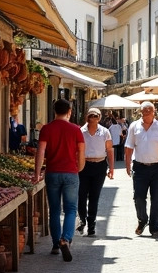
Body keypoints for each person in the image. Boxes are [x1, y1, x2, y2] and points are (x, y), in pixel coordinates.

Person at [33, 98, 85, 262]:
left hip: (52, 173)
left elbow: (40, 152)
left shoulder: (47, 129)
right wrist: (80, 168)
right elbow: (81, 152)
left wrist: (36, 173)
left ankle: (56, 244)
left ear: (54, 111)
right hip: (71, 172)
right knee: (70, 209)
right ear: (69, 111)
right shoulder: (76, 129)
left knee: (54, 210)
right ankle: (66, 239)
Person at [124, 101, 158, 236]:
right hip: (140, 167)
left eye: (148, 111)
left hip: (157, 167)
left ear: (154, 112)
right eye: (143, 111)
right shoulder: (134, 126)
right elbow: (129, 146)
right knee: (138, 197)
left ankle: (154, 227)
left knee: (156, 198)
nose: (145, 114)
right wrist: (127, 163)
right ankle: (142, 220)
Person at [77, 108, 114, 237]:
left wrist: (112, 168)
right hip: (84, 165)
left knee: (94, 196)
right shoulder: (80, 131)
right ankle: (82, 220)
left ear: (99, 118)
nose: (93, 118)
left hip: (100, 165)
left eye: (96, 116)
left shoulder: (105, 132)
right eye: (91, 115)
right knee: (81, 195)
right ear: (87, 117)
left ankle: (91, 224)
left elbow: (109, 150)